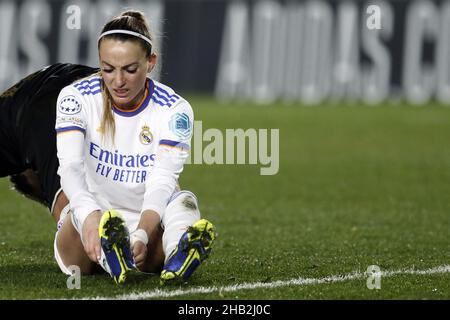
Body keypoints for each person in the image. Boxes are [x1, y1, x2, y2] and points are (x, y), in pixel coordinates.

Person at [54, 10, 216, 284]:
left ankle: (179, 253)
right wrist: (90, 214)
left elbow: (162, 179)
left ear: (150, 62)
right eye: (107, 69)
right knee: (79, 215)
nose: (118, 81)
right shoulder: (75, 98)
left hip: (146, 225)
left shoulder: (175, 110)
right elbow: (69, 167)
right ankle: (113, 253)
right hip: (87, 224)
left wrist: (142, 233)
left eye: (130, 70)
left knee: (183, 201)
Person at [0, 63, 99, 224]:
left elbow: (70, 216)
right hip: (85, 77)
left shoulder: (35, 125)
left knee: (75, 222)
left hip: (49, 100)